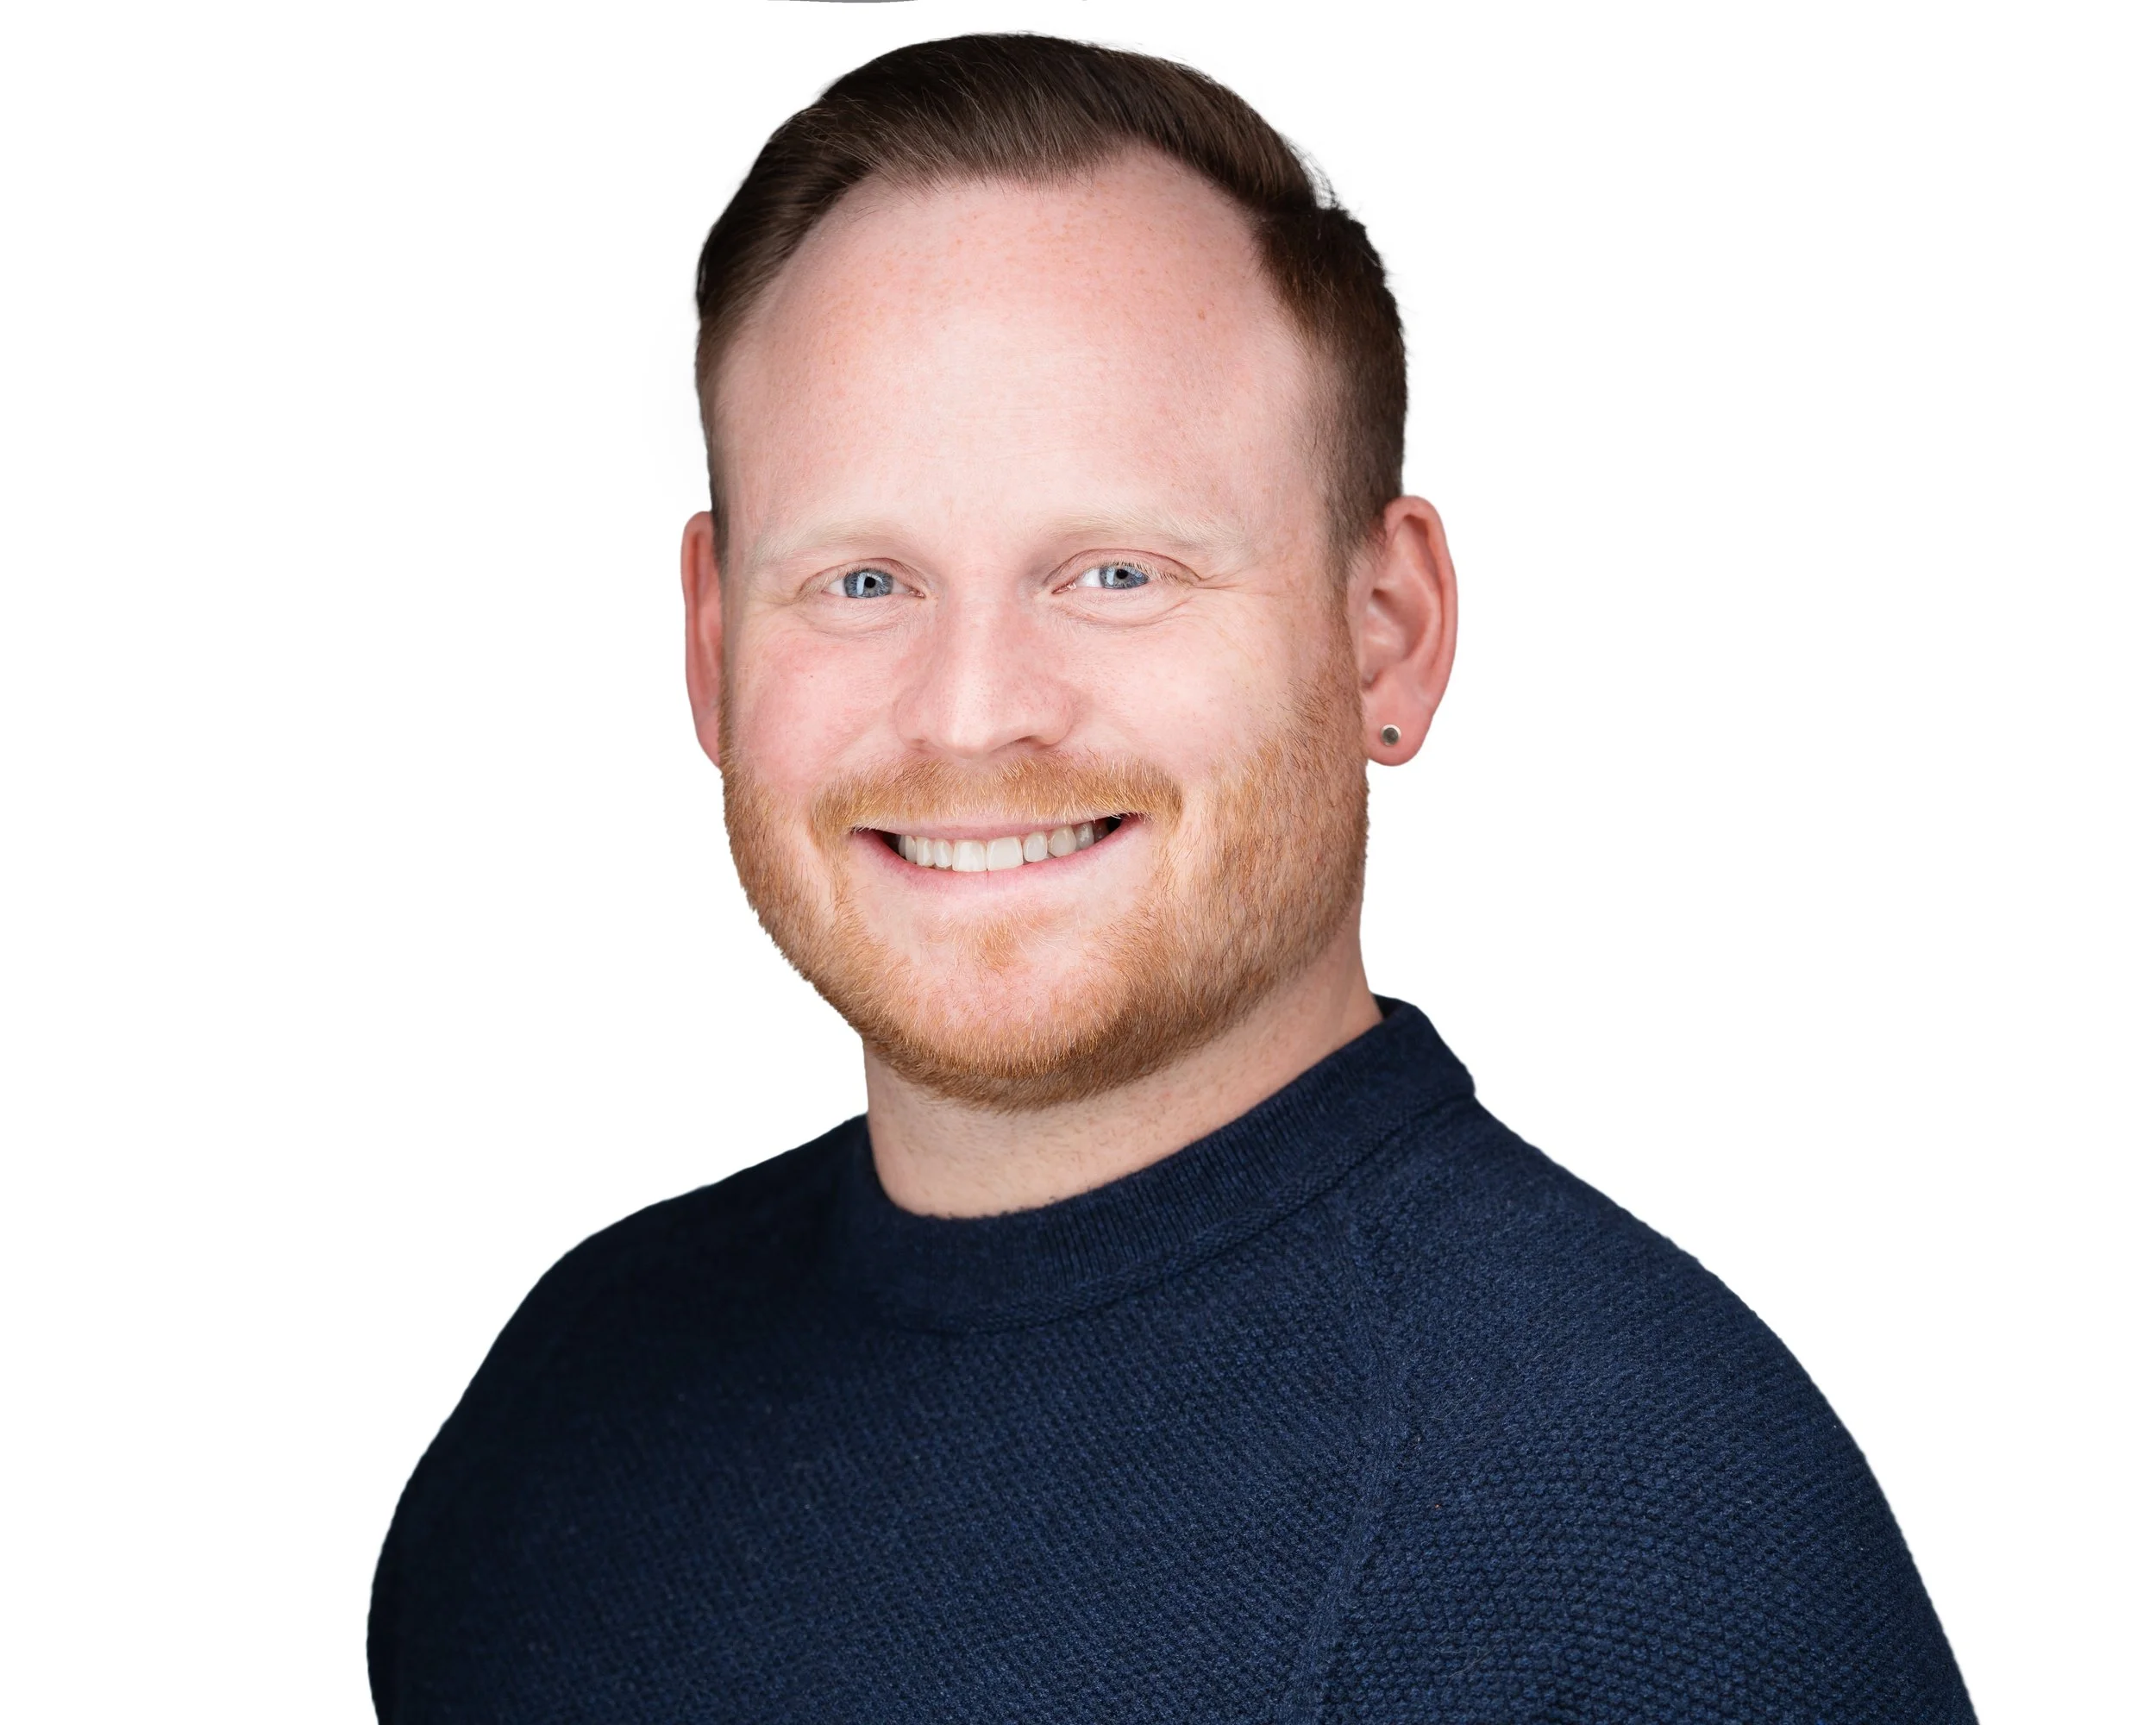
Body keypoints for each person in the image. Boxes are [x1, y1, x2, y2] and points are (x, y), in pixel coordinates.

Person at [369, 33, 1975, 1723]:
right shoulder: (565, 1422)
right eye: (858, 581)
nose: (972, 707)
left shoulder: (1638, 1532)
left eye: (1115, 570)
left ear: (1387, 633)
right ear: (711, 646)